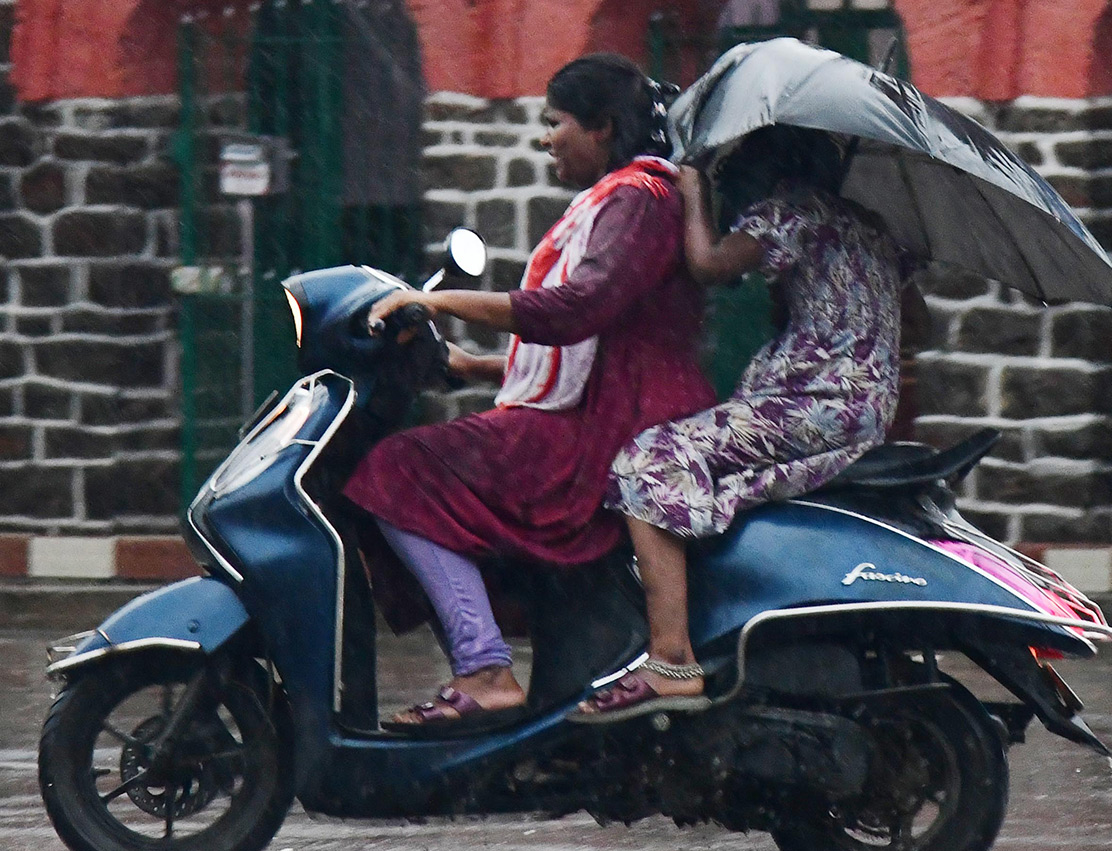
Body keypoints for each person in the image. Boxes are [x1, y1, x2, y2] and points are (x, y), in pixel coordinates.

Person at [342, 53, 716, 726]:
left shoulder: (640, 198)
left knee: (396, 471)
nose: (546, 139)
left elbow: (580, 308)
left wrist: (446, 300)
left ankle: (485, 670)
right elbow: (599, 337)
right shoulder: (629, 198)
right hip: (609, 404)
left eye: (556, 122)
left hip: (607, 426)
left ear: (601, 127)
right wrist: (477, 366)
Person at [576, 125, 925, 721]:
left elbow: (710, 266)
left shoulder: (790, 212)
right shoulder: (869, 224)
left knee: (649, 460)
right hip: (862, 404)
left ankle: (670, 658)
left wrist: (689, 191)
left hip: (813, 399)